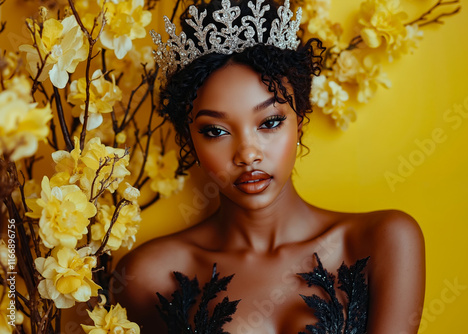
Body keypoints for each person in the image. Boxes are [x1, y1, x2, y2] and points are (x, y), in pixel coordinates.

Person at [113, 0, 425, 332]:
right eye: (216, 131)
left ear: (300, 121)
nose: (247, 154)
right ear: (190, 140)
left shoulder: (384, 241)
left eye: (270, 122)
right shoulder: (148, 276)